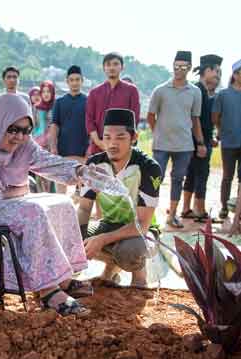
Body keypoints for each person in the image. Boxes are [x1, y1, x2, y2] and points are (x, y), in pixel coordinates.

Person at [0, 94, 94, 316]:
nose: (19, 137)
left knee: (62, 202)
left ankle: (63, 276)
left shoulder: (24, 146)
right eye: (12, 129)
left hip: (11, 202)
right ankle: (48, 290)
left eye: (26, 130)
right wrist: (0, 194)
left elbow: (47, 162)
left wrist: (78, 171)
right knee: (31, 212)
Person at [78, 108, 162, 289]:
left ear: (134, 137)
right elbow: (84, 208)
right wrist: (75, 237)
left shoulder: (148, 168)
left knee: (131, 250)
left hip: (142, 232)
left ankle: (140, 276)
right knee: (72, 237)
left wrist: (101, 240)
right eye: (107, 137)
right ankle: (110, 270)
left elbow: (142, 224)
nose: (112, 144)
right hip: (108, 224)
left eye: (120, 137)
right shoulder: (95, 165)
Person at [147, 50, 204, 228]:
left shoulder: (195, 92)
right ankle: (149, 215)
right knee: (156, 178)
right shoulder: (160, 90)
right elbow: (151, 116)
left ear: (189, 68)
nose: (179, 69)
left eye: (183, 66)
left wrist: (200, 142)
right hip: (161, 145)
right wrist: (158, 133)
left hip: (185, 145)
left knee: (178, 179)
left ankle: (172, 216)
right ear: (172, 66)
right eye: (176, 66)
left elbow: (195, 119)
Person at [212, 59, 241, 219]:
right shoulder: (223, 94)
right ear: (235, 74)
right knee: (227, 176)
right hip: (229, 142)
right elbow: (215, 116)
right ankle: (224, 207)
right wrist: (222, 130)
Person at [182, 54, 223, 221]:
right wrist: (201, 142)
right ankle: (200, 210)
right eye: (217, 72)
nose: (218, 76)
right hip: (197, 140)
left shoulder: (201, 90)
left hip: (197, 139)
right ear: (207, 71)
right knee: (201, 173)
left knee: (192, 173)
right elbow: (196, 118)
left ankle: (186, 208)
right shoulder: (198, 90)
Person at [86, 52, 140, 155]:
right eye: (108, 64)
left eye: (115, 64)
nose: (112, 67)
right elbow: (89, 120)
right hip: (98, 147)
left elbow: (134, 119)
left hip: (122, 147)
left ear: (122, 67)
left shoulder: (131, 90)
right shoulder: (94, 93)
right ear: (103, 68)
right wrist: (99, 142)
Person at [49, 65, 89, 194]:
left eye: (77, 79)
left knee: (83, 188)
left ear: (82, 80)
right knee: (61, 187)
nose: (75, 83)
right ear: (67, 81)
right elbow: (54, 126)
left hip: (82, 151)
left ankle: (81, 213)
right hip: (63, 150)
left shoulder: (88, 101)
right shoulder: (60, 102)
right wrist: (53, 147)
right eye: (72, 80)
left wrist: (90, 148)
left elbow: (92, 126)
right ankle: (61, 212)